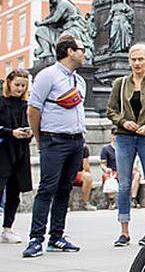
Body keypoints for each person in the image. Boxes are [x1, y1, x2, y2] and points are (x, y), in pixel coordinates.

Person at [23, 34, 87, 258]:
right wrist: (40, 138)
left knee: (64, 189)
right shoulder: (47, 76)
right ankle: (35, 238)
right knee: (47, 188)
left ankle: (56, 236)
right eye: (81, 49)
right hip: (54, 139)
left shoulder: (80, 81)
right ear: (70, 51)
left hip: (76, 140)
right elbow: (33, 109)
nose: (84, 52)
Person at [106, 42, 145, 247]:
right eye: (133, 59)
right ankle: (124, 231)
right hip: (124, 136)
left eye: (141, 59)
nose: (137, 63)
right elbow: (111, 110)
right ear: (129, 62)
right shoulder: (121, 83)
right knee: (124, 184)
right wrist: (123, 121)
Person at [0, 70, 33, 244]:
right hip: (3, 151)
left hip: (19, 152)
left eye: (23, 85)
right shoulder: (1, 102)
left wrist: (28, 133)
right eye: (17, 85)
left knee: (14, 192)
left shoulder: (25, 105)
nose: (20, 88)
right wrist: (10, 132)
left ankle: (7, 229)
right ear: (9, 83)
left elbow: (32, 125)